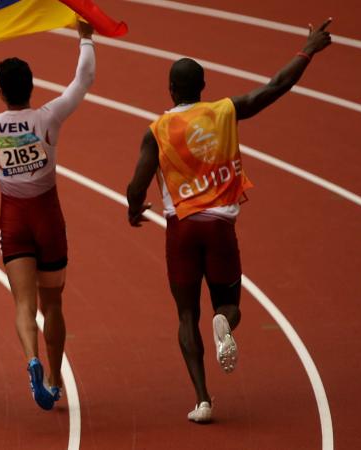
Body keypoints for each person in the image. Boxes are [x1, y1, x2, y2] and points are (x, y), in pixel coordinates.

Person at [126, 19, 333, 423]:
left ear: (171, 90)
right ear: (203, 87)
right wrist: (308, 48)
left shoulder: (158, 130)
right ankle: (224, 321)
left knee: (186, 316)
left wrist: (135, 209)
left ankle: (203, 400)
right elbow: (274, 88)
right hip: (220, 227)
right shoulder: (226, 110)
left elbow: (136, 185)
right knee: (228, 304)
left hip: (181, 229)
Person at [0, 22, 95, 410]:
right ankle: (54, 380)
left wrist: (5, 170)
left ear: (0, 91)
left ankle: (31, 359)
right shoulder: (48, 118)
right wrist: (86, 37)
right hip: (47, 215)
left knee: (23, 304)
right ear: (31, 86)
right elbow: (83, 79)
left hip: (14, 219)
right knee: (53, 304)